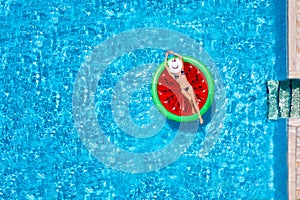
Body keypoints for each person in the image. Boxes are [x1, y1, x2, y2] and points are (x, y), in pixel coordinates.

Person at [164, 50, 204, 124]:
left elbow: (180, 57)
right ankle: (192, 108)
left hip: (189, 87)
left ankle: (200, 117)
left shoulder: (182, 70)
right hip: (183, 89)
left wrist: (172, 53)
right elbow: (165, 66)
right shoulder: (173, 75)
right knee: (189, 99)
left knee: (194, 101)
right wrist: (166, 56)